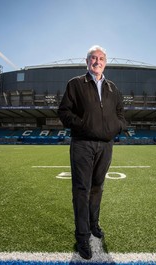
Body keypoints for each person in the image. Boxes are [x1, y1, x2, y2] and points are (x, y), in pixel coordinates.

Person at [58, 45, 126, 260]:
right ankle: (82, 236)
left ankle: (94, 224)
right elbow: (63, 111)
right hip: (83, 144)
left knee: (97, 187)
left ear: (106, 62)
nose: (97, 61)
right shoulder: (75, 84)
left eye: (101, 58)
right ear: (87, 61)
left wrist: (116, 128)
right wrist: (83, 125)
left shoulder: (112, 88)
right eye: (93, 58)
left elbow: (121, 114)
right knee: (81, 189)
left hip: (106, 145)